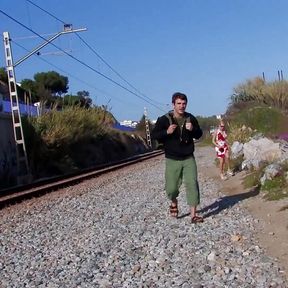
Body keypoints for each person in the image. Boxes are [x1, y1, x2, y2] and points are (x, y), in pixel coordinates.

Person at [151, 92, 204, 223]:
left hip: (188, 157)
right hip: (172, 158)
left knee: (192, 183)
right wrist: (166, 132)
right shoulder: (164, 119)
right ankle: (174, 203)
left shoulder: (191, 118)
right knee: (171, 188)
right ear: (173, 104)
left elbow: (199, 134)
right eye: (179, 103)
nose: (182, 106)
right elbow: (154, 135)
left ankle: (193, 214)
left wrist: (193, 129)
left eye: (184, 103)